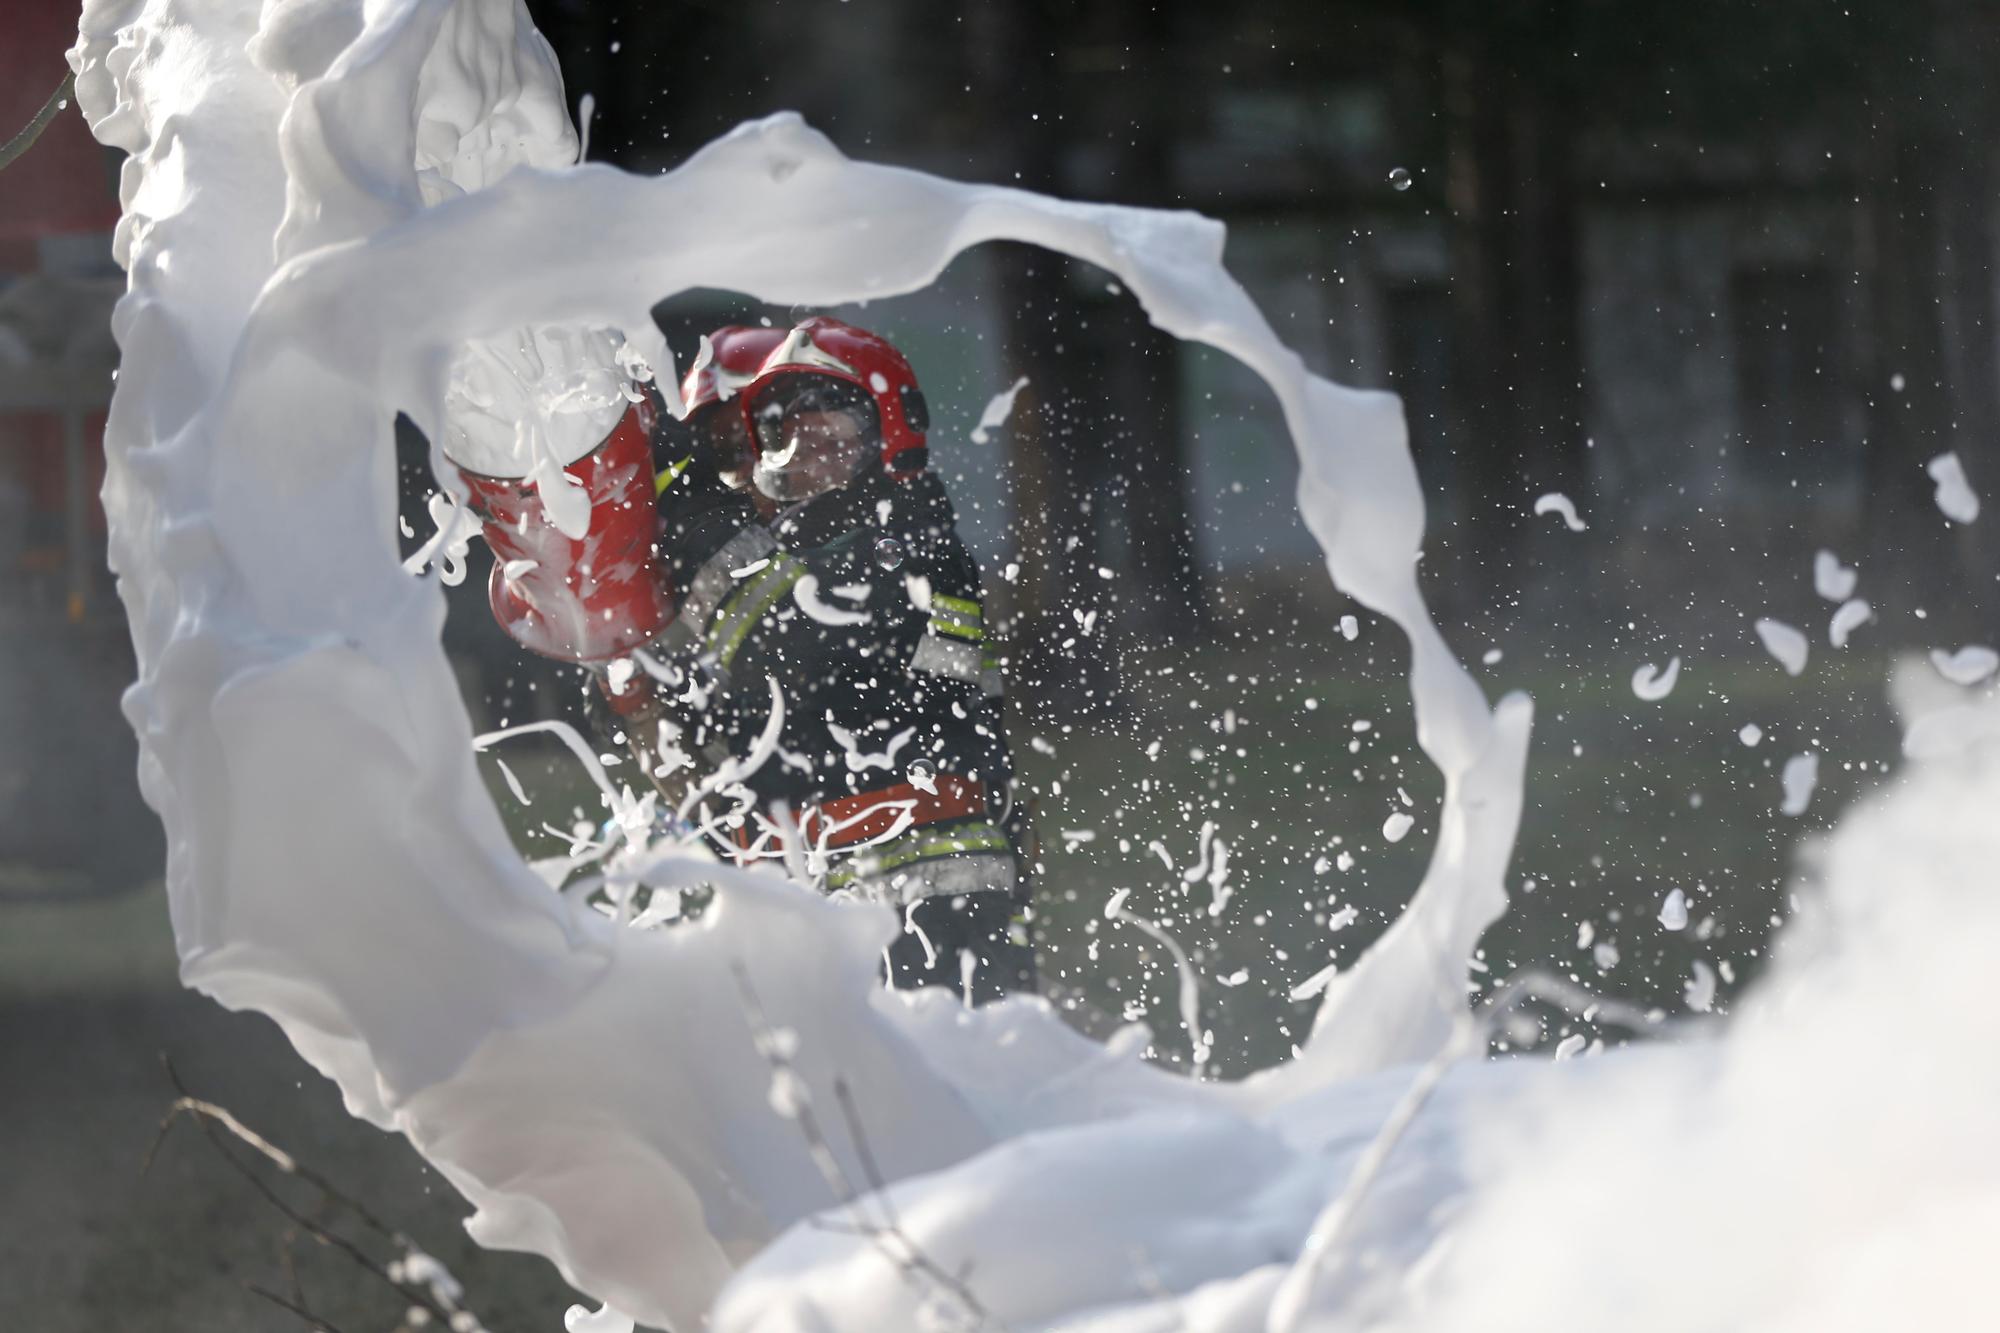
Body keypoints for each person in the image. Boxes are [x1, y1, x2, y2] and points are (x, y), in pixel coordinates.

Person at [597, 317, 1036, 1003]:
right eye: (777, 438)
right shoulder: (809, 551)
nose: (775, 465)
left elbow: (789, 643)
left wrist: (686, 520)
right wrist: (636, 684)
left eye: (828, 434)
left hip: (923, 891)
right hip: (818, 892)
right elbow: (749, 735)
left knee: (929, 1092)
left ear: (883, 431)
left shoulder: (909, 540)